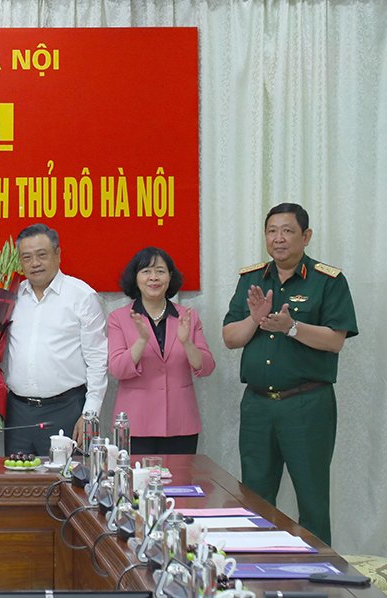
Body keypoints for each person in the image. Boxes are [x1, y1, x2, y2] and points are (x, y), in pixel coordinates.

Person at [222, 203, 357, 545]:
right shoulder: (251, 279)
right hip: (257, 405)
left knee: (312, 499)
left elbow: (335, 341)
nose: (278, 239)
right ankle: (256, 576)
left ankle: (318, 580)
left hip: (307, 404)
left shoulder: (329, 281)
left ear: (305, 236)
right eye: (271, 231)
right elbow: (230, 338)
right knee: (254, 497)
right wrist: (256, 317)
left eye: (287, 231)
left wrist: (292, 327)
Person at [3, 223, 107, 454]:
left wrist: (90, 414)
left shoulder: (82, 296)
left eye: (42, 255)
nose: (35, 263)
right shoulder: (11, 297)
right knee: (17, 484)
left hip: (67, 409)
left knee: (65, 485)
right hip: (18, 412)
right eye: (26, 257)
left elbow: (98, 359)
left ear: (58, 254)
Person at [107, 247, 215, 455]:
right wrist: (141, 341)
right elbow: (117, 370)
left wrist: (186, 343)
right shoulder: (119, 318)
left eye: (160, 271)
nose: (153, 277)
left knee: (180, 485)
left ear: (170, 277)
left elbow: (207, 367)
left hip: (180, 423)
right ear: (135, 278)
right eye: (146, 271)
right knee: (136, 485)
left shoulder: (187, 316)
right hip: (135, 425)